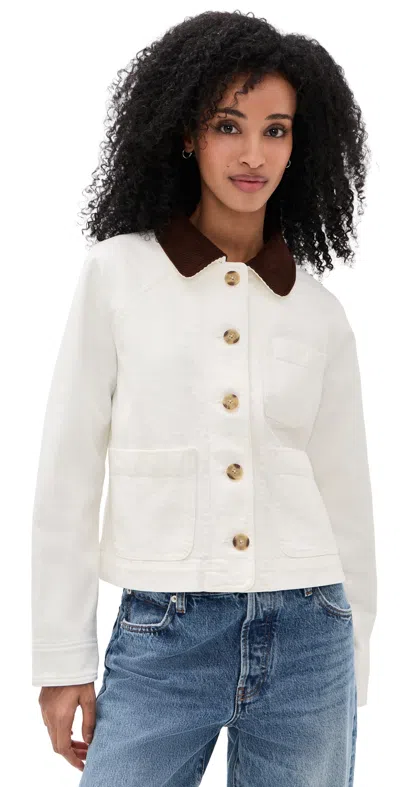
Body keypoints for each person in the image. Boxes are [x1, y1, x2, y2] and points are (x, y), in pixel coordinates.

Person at [32, 10, 377, 786]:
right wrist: (61, 657)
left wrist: (353, 664)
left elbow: (347, 495)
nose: (254, 154)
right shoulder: (118, 276)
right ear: (189, 133)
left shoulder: (318, 311)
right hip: (165, 631)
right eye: (229, 125)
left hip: (312, 635)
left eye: (276, 130)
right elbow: (68, 470)